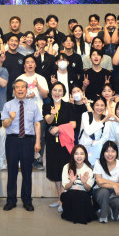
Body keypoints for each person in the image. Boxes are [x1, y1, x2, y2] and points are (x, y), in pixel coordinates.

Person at [1, 79, 42, 211]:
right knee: (12, 171)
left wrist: (38, 141)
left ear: (26, 89)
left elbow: (37, 124)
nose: (20, 89)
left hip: (28, 141)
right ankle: (11, 200)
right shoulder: (8, 105)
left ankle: (27, 201)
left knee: (27, 172)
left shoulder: (33, 105)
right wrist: (11, 118)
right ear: (14, 90)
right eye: (17, 87)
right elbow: (4, 124)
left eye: (22, 87)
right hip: (12, 140)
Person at [43, 82, 77, 211]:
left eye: (60, 90)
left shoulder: (68, 106)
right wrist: (53, 114)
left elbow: (73, 124)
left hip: (65, 143)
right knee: (55, 171)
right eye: (55, 90)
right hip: (52, 142)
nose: (57, 93)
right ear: (51, 92)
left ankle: (63, 200)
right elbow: (48, 121)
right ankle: (59, 198)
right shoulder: (47, 106)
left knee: (64, 170)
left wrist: (59, 128)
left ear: (63, 93)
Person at [17, 54, 49, 170]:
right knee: (24, 138)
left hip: (38, 113)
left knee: (39, 138)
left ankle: (38, 161)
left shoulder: (41, 78)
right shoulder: (20, 79)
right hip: (23, 113)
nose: (30, 64)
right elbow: (16, 96)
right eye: (27, 62)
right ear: (24, 65)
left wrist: (37, 86)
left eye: (32, 62)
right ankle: (24, 160)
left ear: (35, 65)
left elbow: (45, 95)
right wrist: (26, 96)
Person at [60, 144, 96, 224]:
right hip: (70, 193)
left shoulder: (89, 169)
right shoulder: (67, 167)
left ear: (85, 156)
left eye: (81, 154)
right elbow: (66, 187)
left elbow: (88, 189)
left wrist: (84, 183)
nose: (79, 156)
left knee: (81, 196)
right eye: (76, 154)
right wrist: (71, 182)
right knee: (72, 194)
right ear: (73, 155)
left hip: (83, 194)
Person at [93, 141, 119, 223]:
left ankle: (113, 207)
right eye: (107, 151)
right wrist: (114, 186)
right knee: (104, 192)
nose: (110, 154)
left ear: (116, 152)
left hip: (115, 192)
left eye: (113, 151)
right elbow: (99, 183)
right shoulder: (98, 163)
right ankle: (103, 215)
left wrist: (104, 181)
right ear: (103, 152)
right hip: (100, 190)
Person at [79, 97, 113, 166]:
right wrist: (103, 121)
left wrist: (95, 143)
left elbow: (105, 138)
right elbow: (88, 131)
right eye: (97, 105)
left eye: (102, 105)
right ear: (93, 106)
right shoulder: (86, 115)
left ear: (105, 107)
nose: (99, 107)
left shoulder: (107, 121)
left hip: (96, 152)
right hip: (82, 151)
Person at [0, 34, 25, 101]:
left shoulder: (22, 57)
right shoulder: (1, 56)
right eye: (11, 41)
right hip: (4, 90)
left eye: (16, 41)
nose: (13, 43)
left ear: (18, 43)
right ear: (7, 42)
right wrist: (1, 62)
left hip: (19, 90)